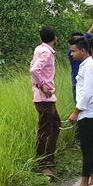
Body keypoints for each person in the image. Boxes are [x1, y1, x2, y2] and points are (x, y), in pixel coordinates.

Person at [67, 38, 93, 186]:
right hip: (92, 110)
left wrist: (76, 111)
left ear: (83, 50)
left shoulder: (89, 67)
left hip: (88, 113)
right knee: (92, 147)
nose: (72, 53)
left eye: (74, 50)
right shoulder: (91, 65)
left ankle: (84, 185)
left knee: (86, 148)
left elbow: (87, 92)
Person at [29, 26, 61, 177]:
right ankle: (41, 163)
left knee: (55, 124)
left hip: (46, 97)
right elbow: (34, 70)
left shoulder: (39, 49)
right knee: (45, 130)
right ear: (55, 38)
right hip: (45, 97)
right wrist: (41, 86)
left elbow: (32, 66)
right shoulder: (47, 52)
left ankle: (49, 157)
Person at [68, 19, 93, 101]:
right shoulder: (72, 54)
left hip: (88, 81)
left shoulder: (90, 62)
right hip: (78, 82)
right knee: (80, 102)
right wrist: (92, 27)